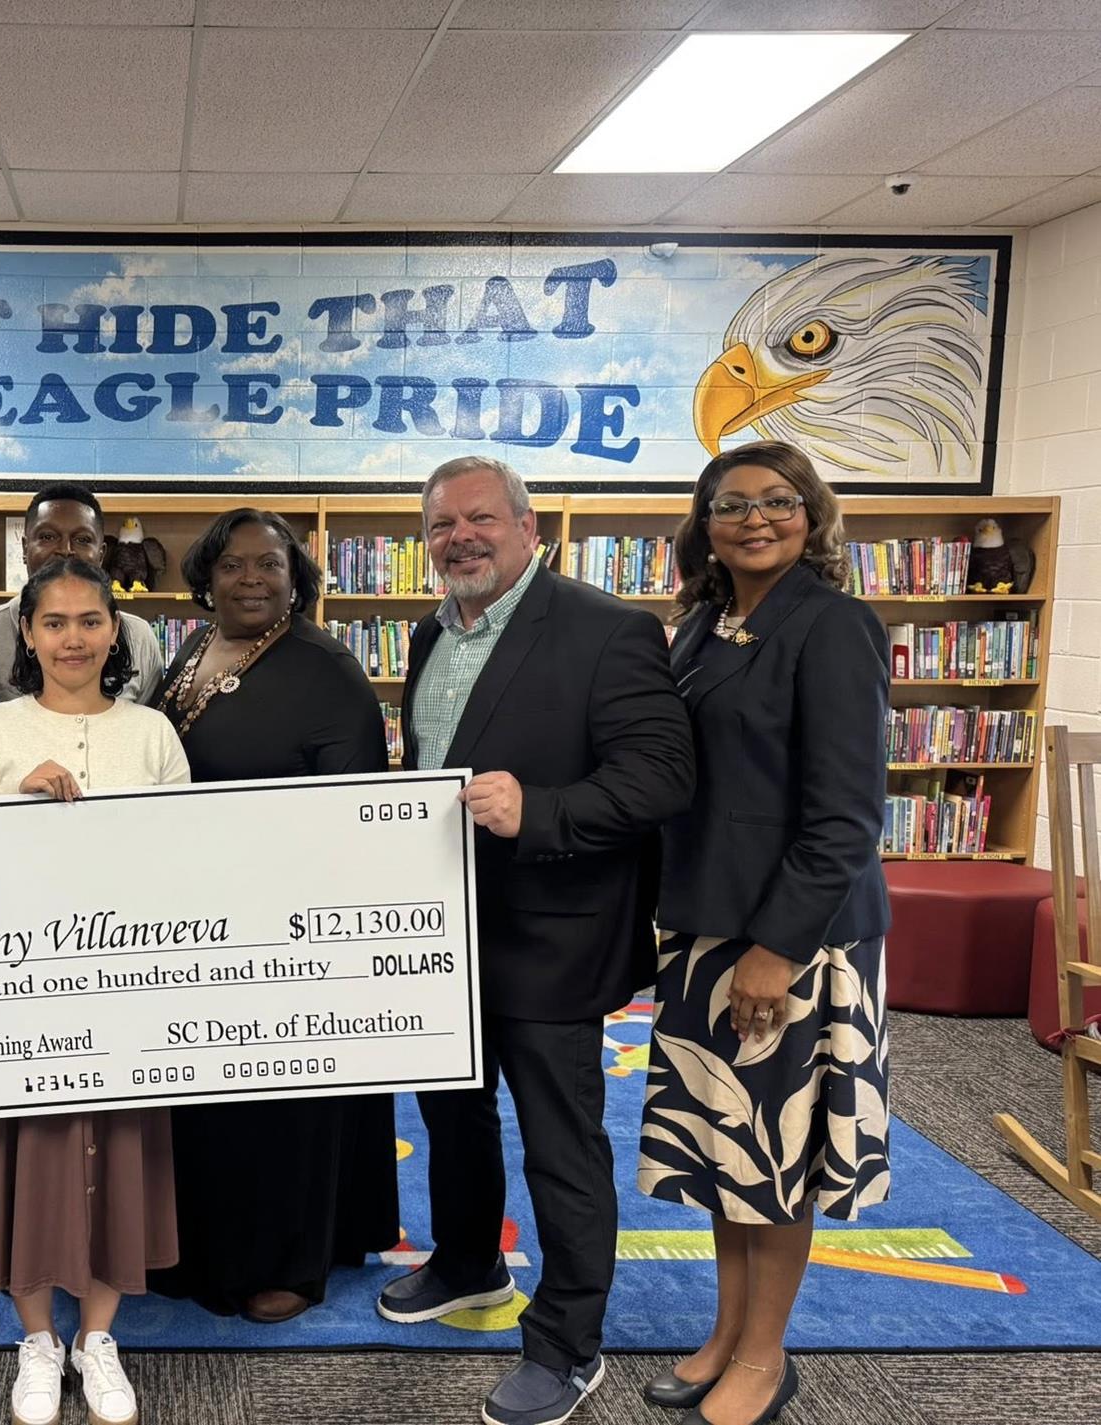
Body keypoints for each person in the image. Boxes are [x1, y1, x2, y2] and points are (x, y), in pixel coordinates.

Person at [376, 456, 695, 1425]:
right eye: (441, 527)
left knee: (559, 1144)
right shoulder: (433, 634)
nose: (460, 538)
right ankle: (470, 1261)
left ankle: (565, 1344)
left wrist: (541, 810)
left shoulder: (608, 630)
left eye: (480, 519)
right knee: (453, 1116)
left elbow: (661, 779)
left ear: (526, 528)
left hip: (552, 937)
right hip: (440, 932)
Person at [638, 441, 890, 1425]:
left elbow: (842, 816)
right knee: (723, 1151)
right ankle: (725, 1332)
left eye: (777, 501)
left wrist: (776, 949)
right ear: (703, 523)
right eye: (730, 504)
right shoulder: (705, 627)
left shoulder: (832, 627)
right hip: (706, 929)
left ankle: (764, 1353)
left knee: (776, 1156)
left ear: (810, 513)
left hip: (795, 941)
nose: (754, 518)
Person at [0, 556, 190, 1425]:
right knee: (29, 1155)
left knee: (118, 1154)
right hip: (22, 995)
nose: (75, 638)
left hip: (125, 990)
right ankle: (38, 1337)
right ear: (28, 633)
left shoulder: (152, 732)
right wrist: (15, 798)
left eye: (92, 620)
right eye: (56, 622)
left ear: (115, 632)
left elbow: (187, 852)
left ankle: (97, 1336)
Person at [145, 508, 400, 1323]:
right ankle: (201, 1247)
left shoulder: (326, 669)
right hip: (195, 912)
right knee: (212, 1095)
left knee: (285, 1104)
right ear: (207, 575)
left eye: (270, 565)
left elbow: (355, 815)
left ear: (298, 578)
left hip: (287, 924)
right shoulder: (192, 647)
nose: (251, 578)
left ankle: (293, 1260)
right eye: (233, 564)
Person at [0, 482, 166, 702]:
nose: (65, 550)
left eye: (82, 540)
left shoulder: (140, 639)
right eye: (47, 537)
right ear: (25, 549)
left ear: (101, 554)